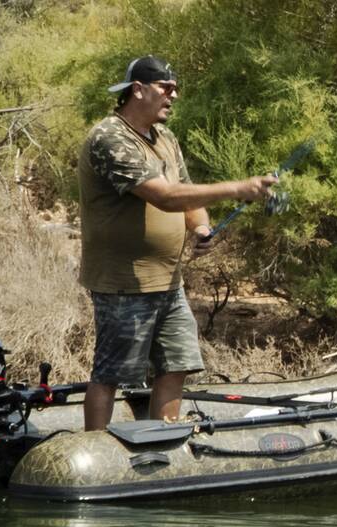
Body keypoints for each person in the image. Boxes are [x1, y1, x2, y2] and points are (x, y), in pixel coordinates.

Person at [77, 55, 278, 431]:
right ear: (138, 90)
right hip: (123, 284)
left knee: (176, 365)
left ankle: (163, 440)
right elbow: (165, 197)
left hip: (169, 283)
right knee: (110, 375)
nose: (174, 95)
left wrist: (200, 227)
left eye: (175, 88)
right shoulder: (110, 138)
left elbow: (186, 194)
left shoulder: (165, 138)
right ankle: (96, 446)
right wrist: (238, 188)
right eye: (166, 88)